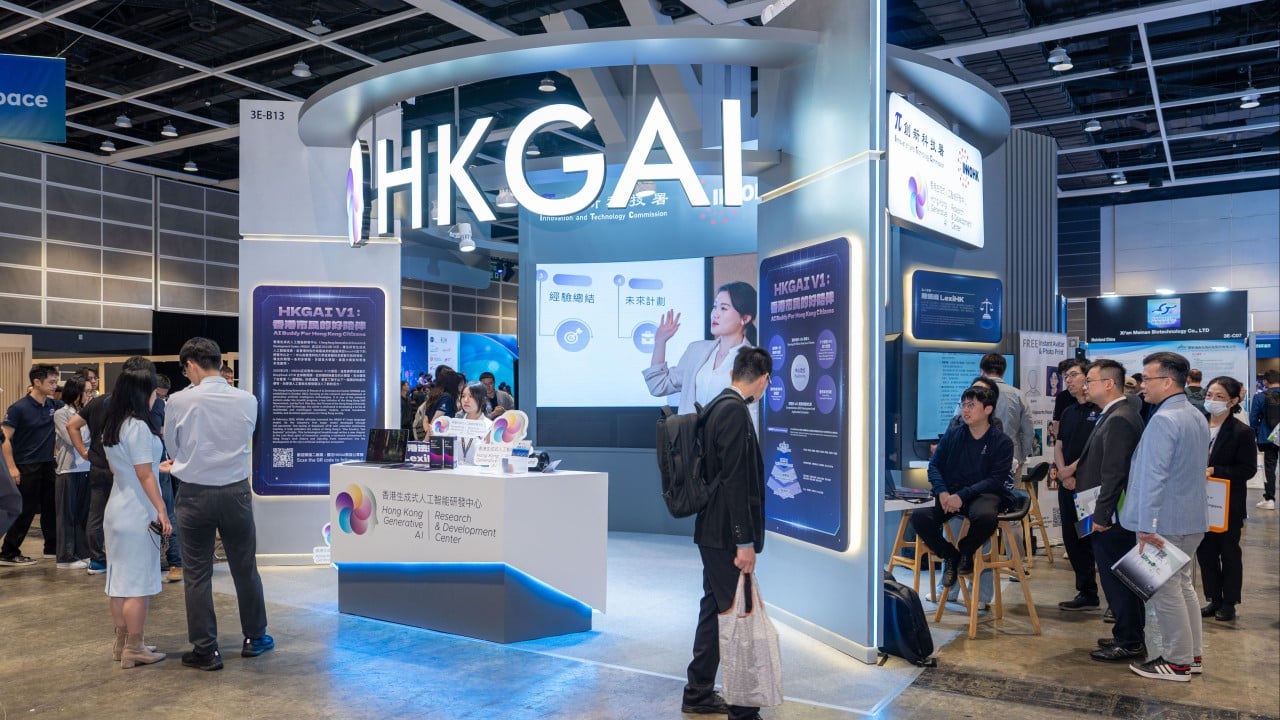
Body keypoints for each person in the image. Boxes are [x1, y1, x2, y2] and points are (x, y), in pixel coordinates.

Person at [163, 337, 271, 671]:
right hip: (236, 493)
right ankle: (255, 638)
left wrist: (189, 459)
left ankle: (206, 650)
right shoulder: (247, 399)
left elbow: (173, 448)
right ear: (219, 362)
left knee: (197, 574)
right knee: (245, 567)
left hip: (194, 494)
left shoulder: (178, 401)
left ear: (190, 365)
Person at [682, 346, 770, 720]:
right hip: (725, 536)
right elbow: (735, 481)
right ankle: (743, 710)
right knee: (739, 618)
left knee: (715, 611)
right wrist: (744, 541)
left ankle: (698, 692)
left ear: (734, 372)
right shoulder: (734, 411)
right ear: (764, 379)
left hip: (712, 531)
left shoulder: (718, 405)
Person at [1120, 351, 1208, 682]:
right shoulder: (1194, 415)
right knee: (1182, 586)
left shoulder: (1164, 419)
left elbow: (1153, 477)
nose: (1141, 385)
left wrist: (1147, 526)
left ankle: (1177, 662)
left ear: (1168, 381)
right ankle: (1191, 656)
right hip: (1190, 518)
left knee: (1166, 591)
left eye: (1147, 378)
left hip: (1164, 522)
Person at [1073, 359, 1146, 663]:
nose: (1084, 386)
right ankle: (1126, 633)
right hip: (1110, 512)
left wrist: (1101, 516)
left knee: (1118, 578)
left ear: (1108, 384)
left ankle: (1130, 641)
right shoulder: (1115, 414)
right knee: (1118, 577)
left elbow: (1114, 473)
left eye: (1089, 380)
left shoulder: (1119, 418)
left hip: (1113, 515)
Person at [101, 359, 171, 669]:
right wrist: (162, 510)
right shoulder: (139, 427)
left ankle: (122, 643)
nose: (156, 395)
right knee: (137, 585)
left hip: (117, 508)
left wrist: (158, 466)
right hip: (138, 512)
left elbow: (126, 468)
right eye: (153, 390)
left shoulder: (114, 424)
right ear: (143, 392)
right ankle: (135, 647)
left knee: (119, 582)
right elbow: (144, 475)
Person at [910, 385, 1014, 587]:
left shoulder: (1002, 442)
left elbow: (995, 479)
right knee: (920, 517)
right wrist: (942, 492)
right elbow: (935, 466)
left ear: (988, 409)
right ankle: (950, 555)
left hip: (983, 494)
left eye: (971, 405)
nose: (965, 410)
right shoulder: (953, 434)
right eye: (964, 405)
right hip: (951, 492)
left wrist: (962, 495)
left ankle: (966, 550)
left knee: (986, 517)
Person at [644, 282, 758, 423]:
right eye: (714, 307)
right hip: (691, 436)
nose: (715, 314)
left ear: (745, 318)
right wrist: (660, 342)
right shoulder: (696, 351)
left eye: (723, 308)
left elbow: (753, 416)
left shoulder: (754, 361)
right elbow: (658, 385)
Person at [1196, 376, 1257, 622]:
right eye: (1209, 395)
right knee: (1205, 552)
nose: (1212, 400)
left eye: (1219, 396)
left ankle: (1229, 602)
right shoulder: (1197, 424)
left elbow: (1247, 470)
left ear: (1232, 401)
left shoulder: (1242, 432)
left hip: (1228, 503)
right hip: (1199, 500)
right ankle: (1213, 598)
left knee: (1229, 553)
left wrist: (1216, 470)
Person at [1, 364, 64, 566]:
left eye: (56, 382)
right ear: (37, 382)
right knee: (25, 510)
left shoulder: (54, 405)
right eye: (51, 382)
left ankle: (52, 548)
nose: (54, 386)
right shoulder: (19, 408)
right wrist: (11, 467)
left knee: (51, 507)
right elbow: (4, 439)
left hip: (48, 463)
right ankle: (9, 551)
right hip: (26, 465)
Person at [1053, 358, 1102, 612]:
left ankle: (1115, 599)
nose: (1068, 380)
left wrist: (1072, 470)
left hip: (1089, 486)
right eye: (1066, 376)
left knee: (1094, 539)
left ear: (1088, 377)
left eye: (1073, 375)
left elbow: (1096, 449)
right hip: (1067, 485)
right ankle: (1087, 592)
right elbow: (1059, 445)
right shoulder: (1068, 411)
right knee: (1072, 539)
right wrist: (1063, 472)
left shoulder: (1100, 411)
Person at [53, 375, 92, 569]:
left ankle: (82, 552)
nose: (90, 395)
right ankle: (65, 557)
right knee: (67, 515)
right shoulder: (61, 413)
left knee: (83, 515)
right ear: (76, 392)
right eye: (87, 392)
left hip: (87, 467)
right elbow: (72, 438)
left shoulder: (86, 412)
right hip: (68, 469)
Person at [979, 353, 1034, 478]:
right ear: (1003, 372)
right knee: (1012, 490)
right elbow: (1028, 431)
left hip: (979, 459)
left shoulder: (971, 394)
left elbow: (957, 422)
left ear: (982, 371)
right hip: (1012, 459)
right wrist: (1021, 456)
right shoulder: (1018, 395)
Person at [153, 373, 182, 584]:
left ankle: (175, 562)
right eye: (158, 395)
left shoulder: (162, 406)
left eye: (163, 396)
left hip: (159, 467)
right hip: (149, 466)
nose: (160, 399)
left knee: (166, 512)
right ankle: (170, 562)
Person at [1249, 369, 1280, 510]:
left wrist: (1258, 432)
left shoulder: (1260, 397)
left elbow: (1253, 419)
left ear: (1266, 382)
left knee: (1269, 468)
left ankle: (1270, 499)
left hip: (1268, 437)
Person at [455, 383, 494, 465]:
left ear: (483, 400)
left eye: (471, 396)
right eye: (463, 396)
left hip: (480, 472)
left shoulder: (489, 427)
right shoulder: (455, 425)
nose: (466, 400)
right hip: (456, 471)